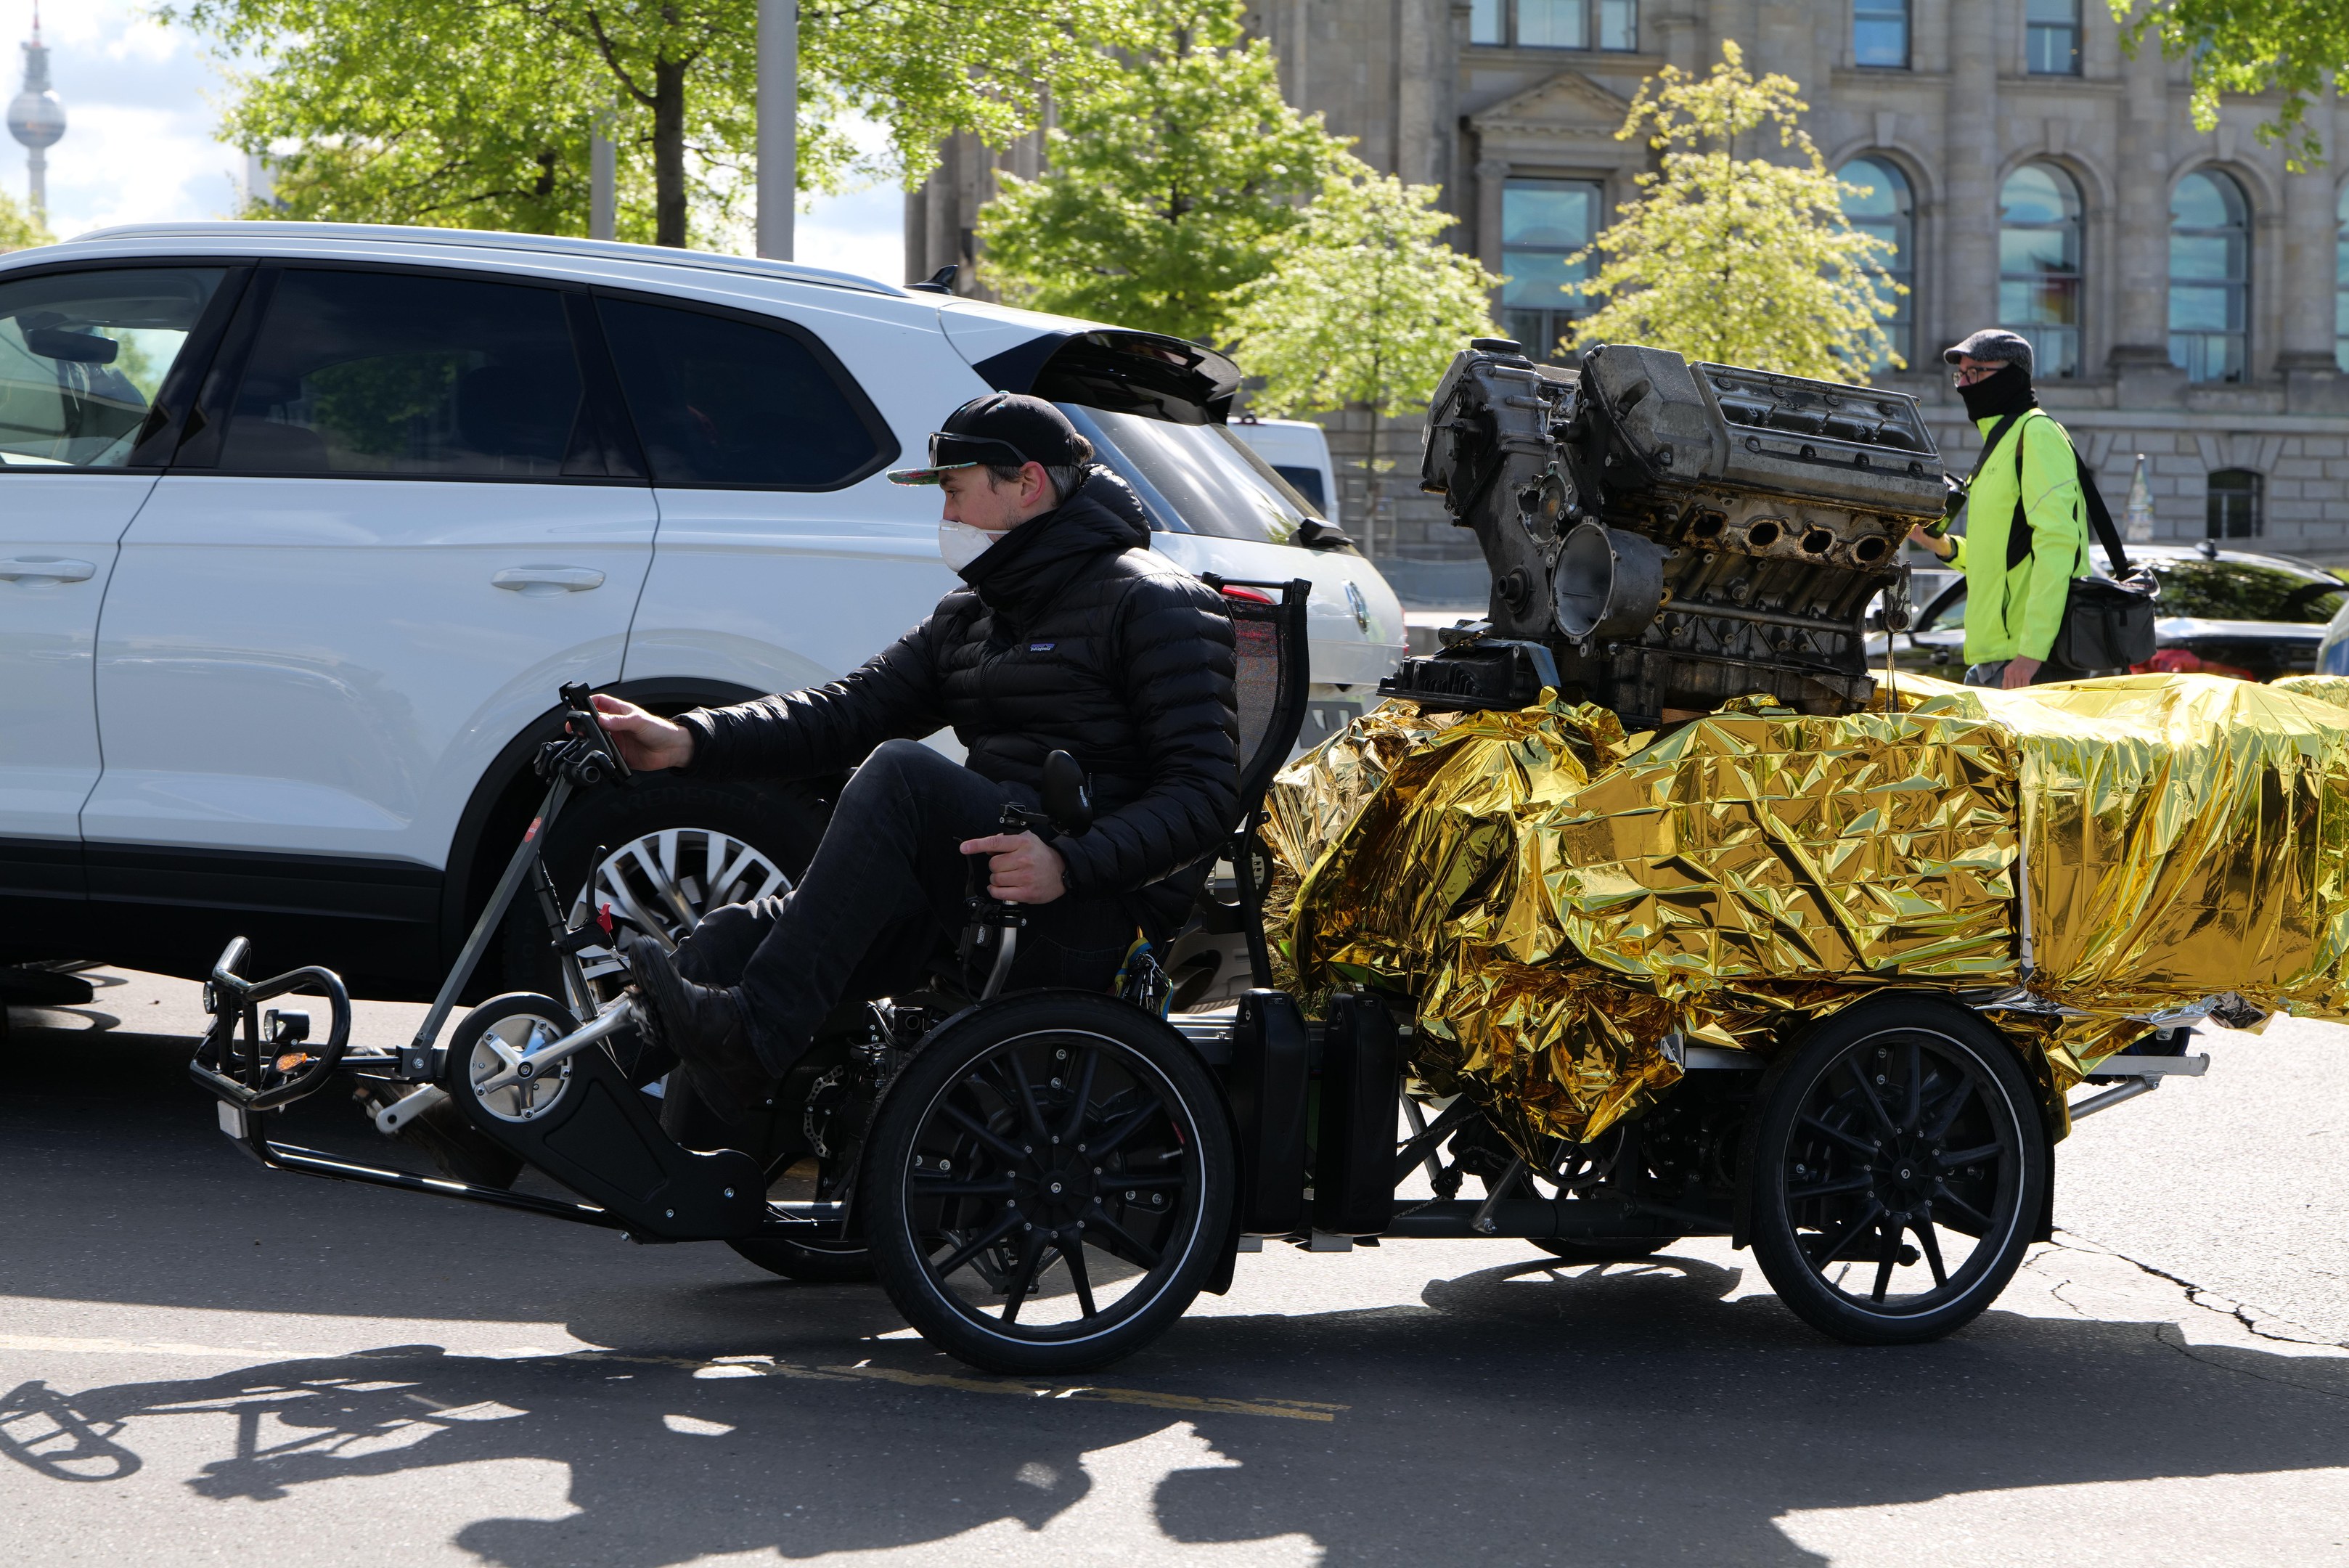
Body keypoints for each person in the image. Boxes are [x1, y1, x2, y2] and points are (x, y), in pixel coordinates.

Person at [588, 393, 1240, 1122]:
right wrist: (687, 738)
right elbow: (843, 712)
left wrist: (1069, 863)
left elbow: (1206, 794)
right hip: (977, 900)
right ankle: (588, 1123)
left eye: (955, 493)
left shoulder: (1156, 602)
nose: (946, 519)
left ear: (1025, 484)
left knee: (903, 773)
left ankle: (756, 1030)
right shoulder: (971, 616)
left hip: (1087, 919)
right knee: (728, 941)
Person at [1906, 328, 2091, 688]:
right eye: (1961, 375)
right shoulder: (2002, 442)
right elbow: (2003, 557)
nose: (1964, 385)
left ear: (2012, 376)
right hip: (1993, 659)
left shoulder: (2035, 435)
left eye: (1975, 373)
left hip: (2029, 664)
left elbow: (2058, 546)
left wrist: (2032, 653)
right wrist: (1944, 547)